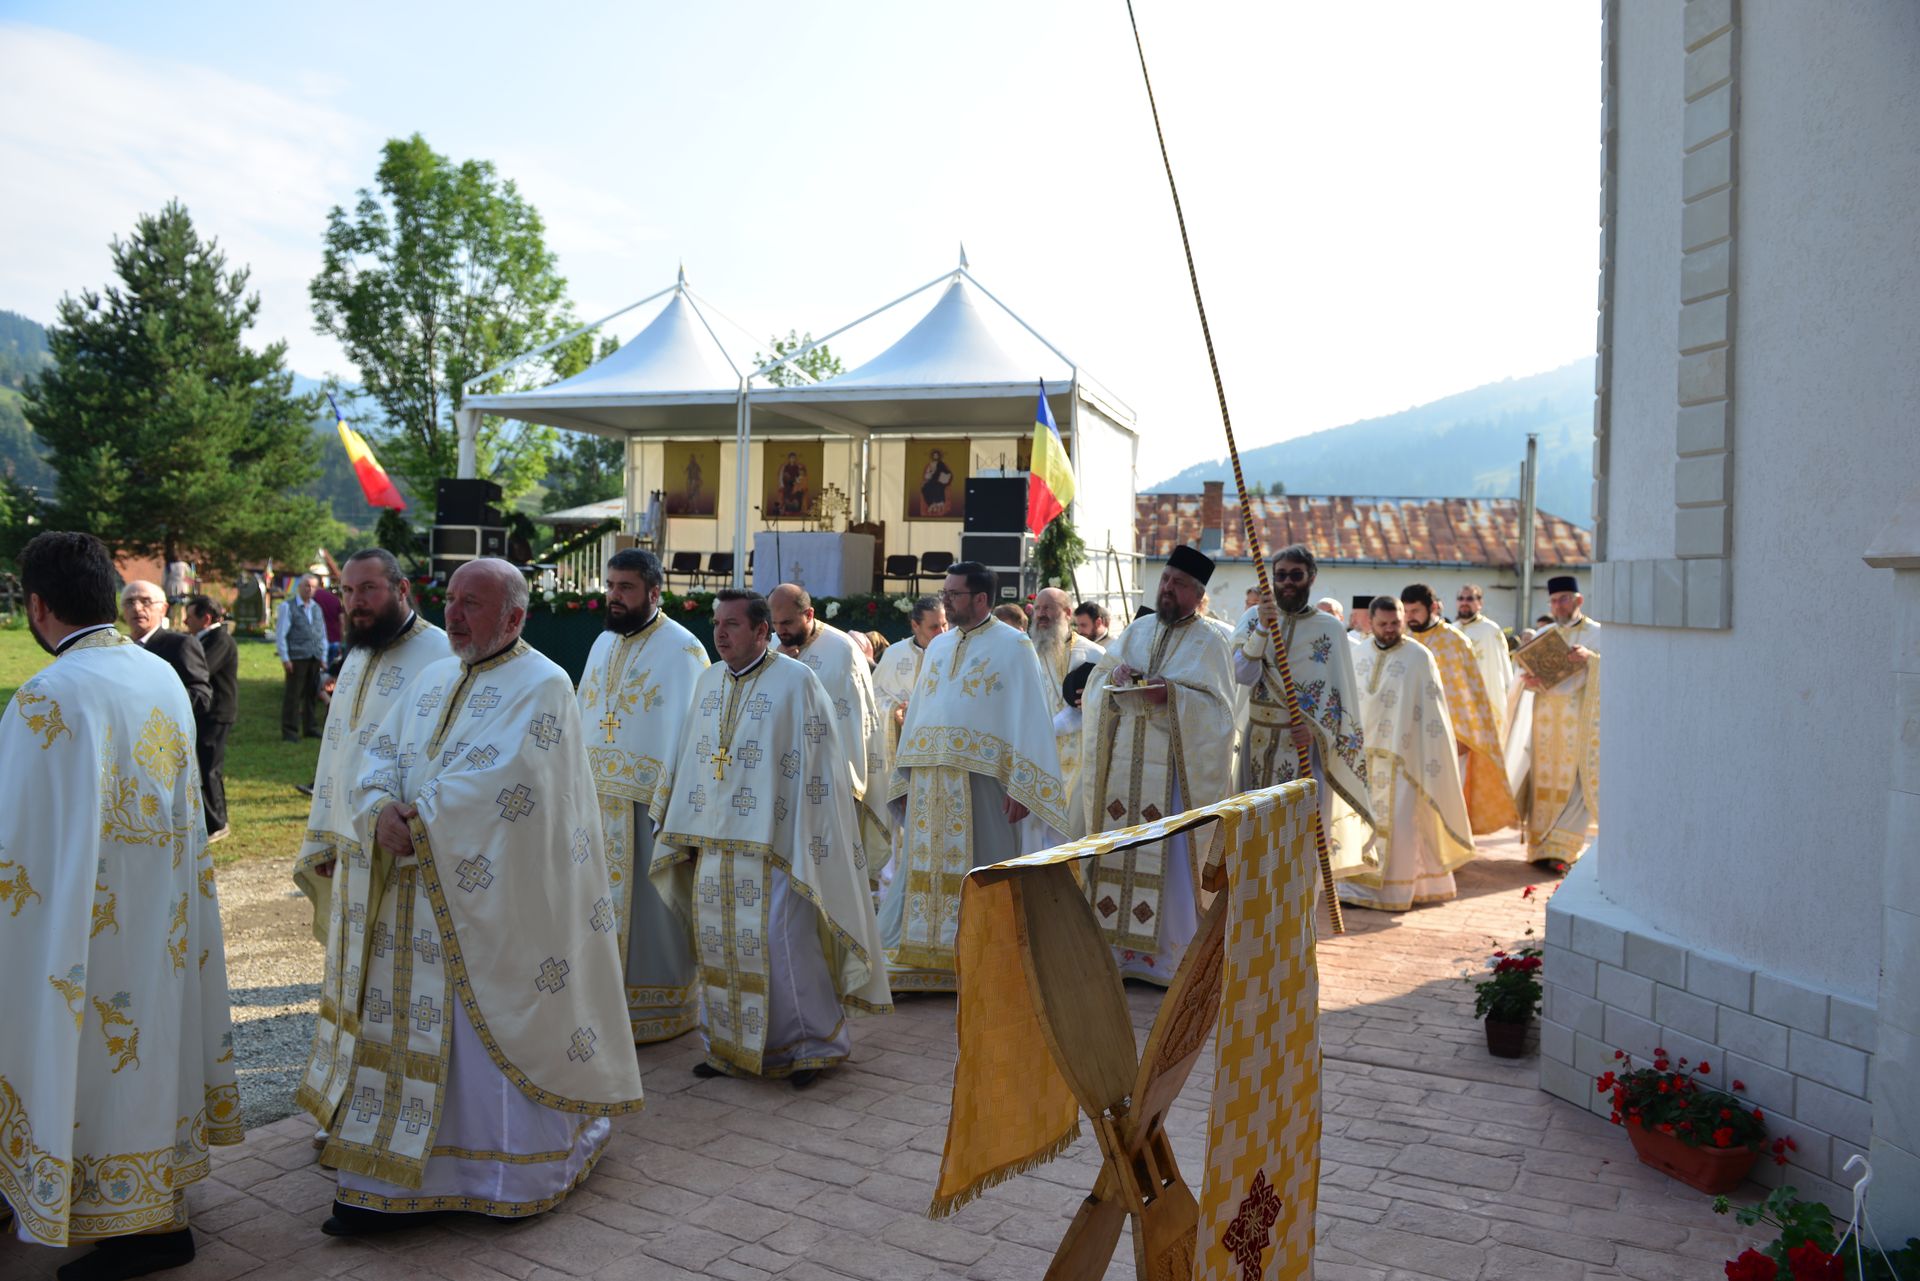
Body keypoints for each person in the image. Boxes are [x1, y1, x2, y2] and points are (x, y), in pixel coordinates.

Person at [296, 559, 641, 1236]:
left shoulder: (543, 684)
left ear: (514, 617)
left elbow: (510, 784)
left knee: (476, 1032)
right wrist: (377, 807)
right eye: (450, 599)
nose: (453, 614)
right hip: (407, 894)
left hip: (488, 902)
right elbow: (378, 753)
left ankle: (496, 1173)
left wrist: (417, 819)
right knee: (400, 1029)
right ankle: (381, 1178)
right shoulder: (432, 676)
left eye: (472, 604)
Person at [1, 532, 241, 1277]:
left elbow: (18, 834)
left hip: (84, 925)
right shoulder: (156, 673)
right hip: (159, 916)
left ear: (36, 606)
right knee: (145, 1053)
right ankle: (149, 1201)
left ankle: (141, 1226)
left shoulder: (49, 695)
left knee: (82, 1056)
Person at [653, 590, 892, 1084]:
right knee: (718, 941)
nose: (720, 634)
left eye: (732, 625)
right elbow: (691, 758)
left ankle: (810, 1046)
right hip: (714, 843)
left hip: (778, 846)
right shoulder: (708, 681)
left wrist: (805, 835)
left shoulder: (796, 682)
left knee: (781, 946)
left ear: (762, 632)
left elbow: (819, 768)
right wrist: (683, 828)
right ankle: (727, 1046)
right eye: (717, 624)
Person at [881, 562, 1070, 990]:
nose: (946, 601)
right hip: (930, 779)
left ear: (981, 598)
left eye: (954, 594)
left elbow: (1030, 715)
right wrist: (906, 776)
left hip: (983, 779)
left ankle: (984, 956)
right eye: (945, 592)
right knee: (921, 868)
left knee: (983, 864)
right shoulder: (939, 646)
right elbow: (921, 711)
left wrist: (1022, 783)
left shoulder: (1014, 646)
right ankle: (921, 953)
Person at [1080, 547, 1236, 984]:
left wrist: (1173, 695)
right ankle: (1117, 954)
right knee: (1120, 850)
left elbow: (1221, 716)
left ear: (1198, 595)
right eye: (1165, 579)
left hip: (1173, 778)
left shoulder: (1212, 642)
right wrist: (1113, 679)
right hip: (1123, 771)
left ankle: (1169, 960)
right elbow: (1099, 679)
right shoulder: (1139, 629)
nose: (1167, 588)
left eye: (1179, 584)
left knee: (1170, 861)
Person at [576, 549, 708, 1044]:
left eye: (626, 587)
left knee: (652, 913)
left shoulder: (684, 649)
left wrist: (682, 812)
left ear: (654, 592)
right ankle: (599, 1007)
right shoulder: (602, 643)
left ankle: (661, 1008)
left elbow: (693, 735)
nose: (614, 596)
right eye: (611, 585)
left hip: (651, 807)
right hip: (595, 801)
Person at [1230, 547, 1376, 897]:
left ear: (1311, 577)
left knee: (1298, 840)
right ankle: (1252, 906)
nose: (1287, 583)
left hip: (1305, 750)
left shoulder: (1329, 629)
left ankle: (1295, 915)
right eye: (1280, 575)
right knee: (1253, 834)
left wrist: (1315, 730)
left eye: (1296, 575)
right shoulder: (1252, 618)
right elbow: (1241, 674)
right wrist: (1263, 629)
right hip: (1257, 742)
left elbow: (1341, 701)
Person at [1338, 598, 1476, 911]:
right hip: (1361, 758)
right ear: (1371, 622)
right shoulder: (1358, 654)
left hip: (1403, 757)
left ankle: (1395, 893)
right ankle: (1353, 889)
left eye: (1395, 623)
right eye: (1383, 624)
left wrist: (1427, 754)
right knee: (1358, 824)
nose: (1390, 629)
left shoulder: (1418, 657)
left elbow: (1433, 712)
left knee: (1402, 827)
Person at [769, 583, 889, 878]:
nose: (781, 630)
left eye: (788, 622)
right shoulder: (772, 647)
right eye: (775, 623)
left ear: (809, 614)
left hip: (829, 780)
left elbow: (855, 720)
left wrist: (845, 780)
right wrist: (779, 664)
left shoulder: (842, 650)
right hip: (781, 776)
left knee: (827, 869)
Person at [1401, 583, 1518, 836]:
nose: (1410, 617)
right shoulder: (1404, 640)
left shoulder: (1454, 641)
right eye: (1406, 611)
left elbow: (1470, 693)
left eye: (1415, 611)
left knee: (1447, 798)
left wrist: (1465, 736)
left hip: (1452, 735)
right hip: (1410, 735)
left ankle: (1450, 845)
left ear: (1433, 607)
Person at [1508, 576, 1601, 872]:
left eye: (1563, 599)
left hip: (1579, 724)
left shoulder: (1597, 634)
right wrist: (1529, 681)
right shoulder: (1544, 634)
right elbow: (1523, 678)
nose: (1558, 605)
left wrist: (1591, 659)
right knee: (1543, 781)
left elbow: (1615, 670)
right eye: (1553, 601)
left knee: (1575, 784)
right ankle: (1541, 848)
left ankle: (1563, 851)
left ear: (1578, 600)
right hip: (1545, 722)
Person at [870, 595, 947, 886]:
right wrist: (894, 711)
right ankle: (896, 884)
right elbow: (874, 699)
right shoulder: (894, 655)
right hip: (901, 756)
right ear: (915, 625)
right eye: (934, 627)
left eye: (944, 624)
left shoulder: (954, 652)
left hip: (939, 757)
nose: (942, 632)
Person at [1030, 587, 1105, 810]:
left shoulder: (1093, 653)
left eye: (1048, 608)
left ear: (1067, 612)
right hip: (1037, 752)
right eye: (1037, 608)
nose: (1041, 614)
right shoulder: (1027, 653)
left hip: (1080, 757)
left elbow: (1102, 704)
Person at [183, 595, 238, 841]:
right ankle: (214, 819)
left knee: (209, 768)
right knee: (205, 767)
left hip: (217, 712)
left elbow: (201, 669)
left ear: (206, 618)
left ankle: (217, 824)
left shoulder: (220, 640)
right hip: (207, 712)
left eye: (190, 616)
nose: (185, 622)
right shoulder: (204, 638)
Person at [122, 580, 212, 725]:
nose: (137, 608)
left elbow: (201, 698)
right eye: (129, 602)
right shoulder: (118, 648)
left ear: (163, 609)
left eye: (146, 601)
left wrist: (148, 696)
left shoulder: (180, 644)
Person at [275, 573, 327, 743]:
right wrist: (285, 658)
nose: (309, 589)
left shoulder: (317, 608)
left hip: (314, 656)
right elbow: (281, 634)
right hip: (297, 657)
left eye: (313, 586)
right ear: (299, 587)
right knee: (293, 695)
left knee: (312, 693)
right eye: (306, 585)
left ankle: (310, 727)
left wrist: (323, 656)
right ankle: (290, 730)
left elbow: (322, 634)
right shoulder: (287, 606)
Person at [1453, 583, 1513, 710]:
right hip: (1456, 694)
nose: (1464, 602)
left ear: (1480, 603)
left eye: (1470, 599)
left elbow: (1502, 665)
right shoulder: (1452, 630)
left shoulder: (1490, 630)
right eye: (1461, 599)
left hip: (1484, 693)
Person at [313, 577, 344, 668]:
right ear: (323, 584)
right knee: (330, 670)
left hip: (317, 641)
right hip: (335, 640)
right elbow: (342, 621)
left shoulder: (312, 599)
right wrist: (341, 641)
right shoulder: (335, 599)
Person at [920, 448, 954, 516]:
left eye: (937, 455)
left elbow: (947, 473)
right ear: (932, 456)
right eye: (934, 455)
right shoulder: (930, 464)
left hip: (939, 481)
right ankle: (931, 504)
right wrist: (930, 474)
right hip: (932, 480)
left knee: (936, 487)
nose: (935, 456)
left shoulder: (941, 463)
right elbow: (927, 475)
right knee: (924, 488)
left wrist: (943, 478)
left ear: (939, 456)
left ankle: (938, 504)